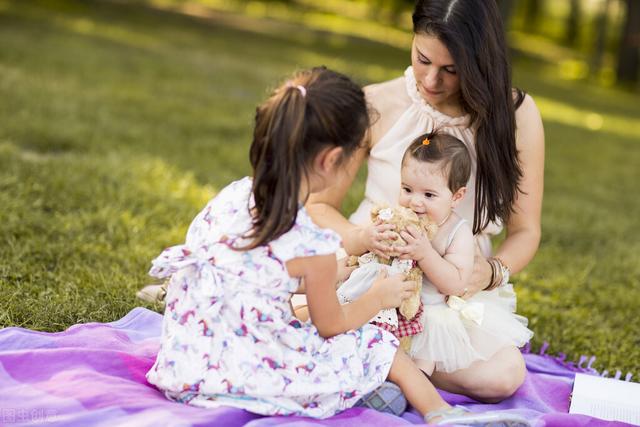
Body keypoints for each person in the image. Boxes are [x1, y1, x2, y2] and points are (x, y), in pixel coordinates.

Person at [145, 67, 460, 422]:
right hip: (252, 376)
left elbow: (257, 271)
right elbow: (333, 324)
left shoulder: (233, 196)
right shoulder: (312, 239)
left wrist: (322, 276)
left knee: (305, 319)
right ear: (329, 161)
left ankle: (370, 392)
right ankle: (442, 413)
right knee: (380, 346)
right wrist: (379, 298)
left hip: (188, 364)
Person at [307, 0, 545, 403]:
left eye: (451, 70)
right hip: (372, 266)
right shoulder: (377, 102)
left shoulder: (516, 115)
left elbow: (526, 231)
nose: (431, 81)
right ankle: (385, 358)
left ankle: (373, 359)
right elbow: (318, 205)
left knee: (503, 376)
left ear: (479, 64)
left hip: (452, 287)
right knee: (300, 292)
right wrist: (362, 236)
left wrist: (491, 272)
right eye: (422, 60)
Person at [396, 131, 533, 375]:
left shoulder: (457, 232)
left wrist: (425, 254)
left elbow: (456, 283)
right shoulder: (402, 217)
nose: (414, 202)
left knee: (421, 361)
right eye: (407, 189)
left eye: (428, 195)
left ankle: (407, 389)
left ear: (456, 196)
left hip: (432, 311)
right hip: (394, 300)